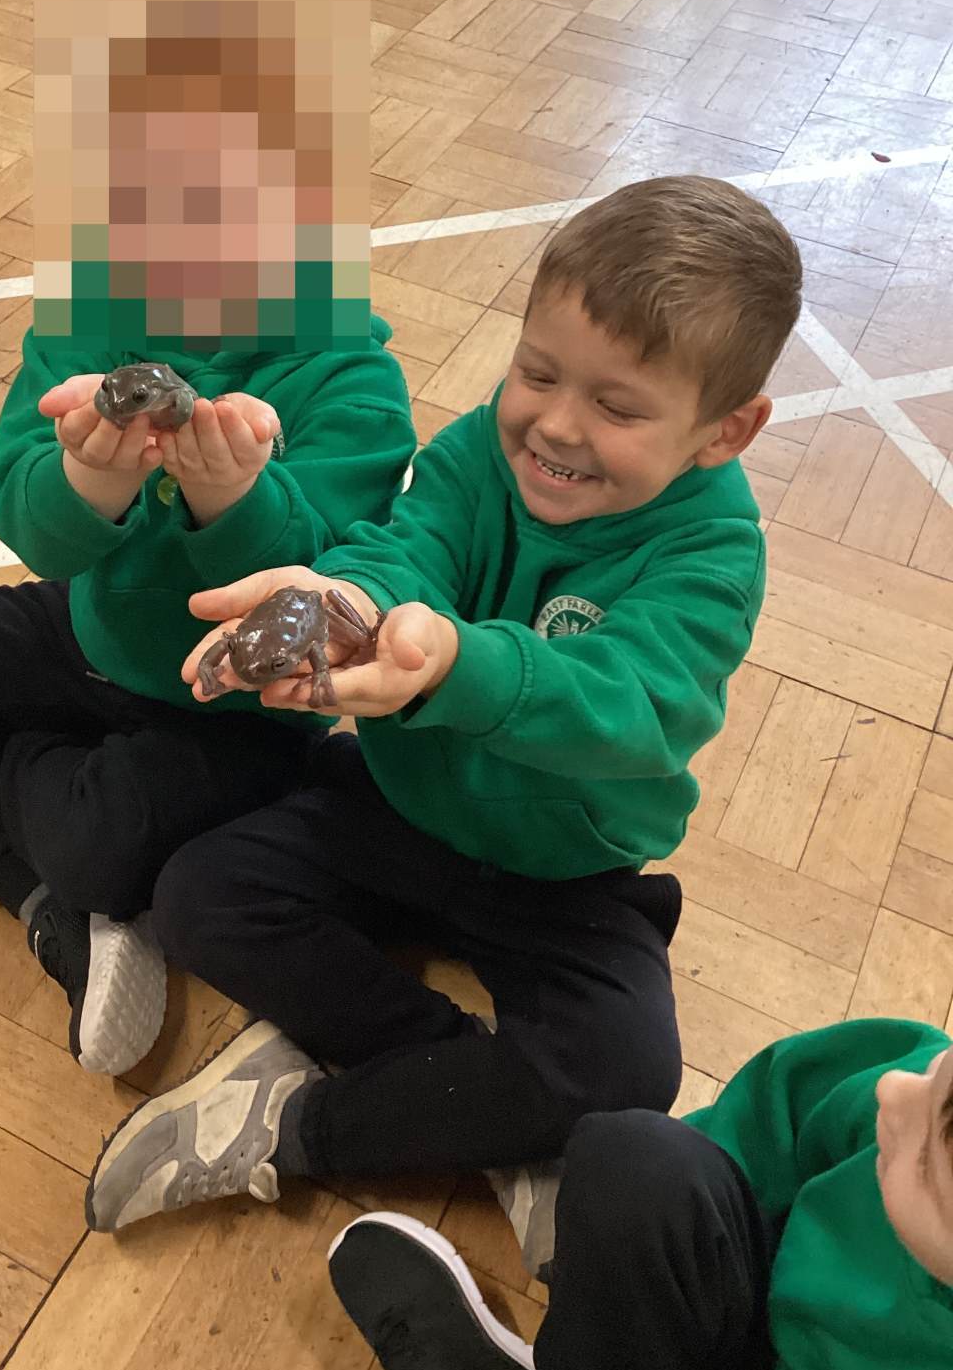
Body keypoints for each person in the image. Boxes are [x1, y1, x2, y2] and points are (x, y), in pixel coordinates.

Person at [81, 174, 804, 1251]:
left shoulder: (715, 549)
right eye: (537, 371)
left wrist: (461, 663)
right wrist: (347, 599)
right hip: (398, 802)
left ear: (725, 431)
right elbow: (404, 545)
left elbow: (638, 705)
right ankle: (472, 1101)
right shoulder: (479, 449)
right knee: (198, 896)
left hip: (566, 870)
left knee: (627, 1069)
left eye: (617, 407)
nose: (555, 424)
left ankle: (301, 1124)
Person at [0, 19, 416, 1079]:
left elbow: (325, 594)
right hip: (92, 626)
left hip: (231, 706)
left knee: (102, 845)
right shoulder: (94, 317)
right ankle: (49, 903)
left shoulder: (352, 379)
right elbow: (29, 522)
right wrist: (89, 480)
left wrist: (235, 505)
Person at [324, 1017, 953, 1370]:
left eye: (927, 1166)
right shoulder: (911, 1095)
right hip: (753, 1297)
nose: (894, 1089)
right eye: (937, 1072)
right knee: (637, 1169)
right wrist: (632, 1258)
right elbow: (769, 1119)